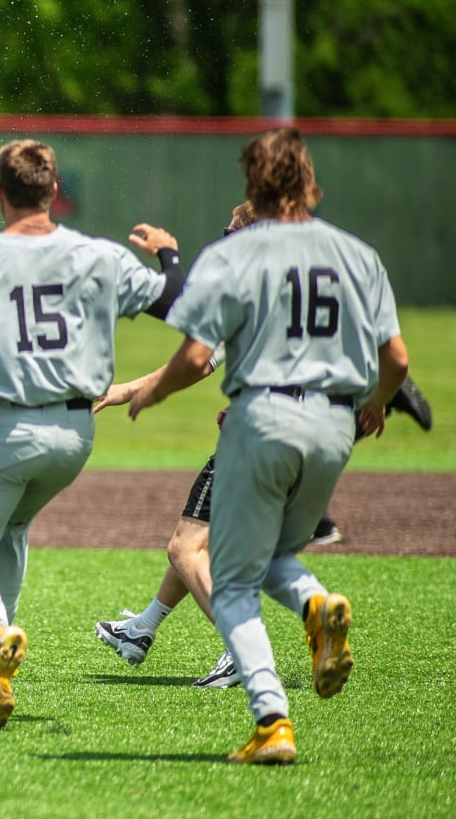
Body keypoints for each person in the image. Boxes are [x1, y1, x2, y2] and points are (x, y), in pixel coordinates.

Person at [125, 127, 409, 765]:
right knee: (278, 554)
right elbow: (396, 356)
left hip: (263, 415)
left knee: (229, 580)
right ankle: (315, 603)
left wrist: (155, 391)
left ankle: (272, 720)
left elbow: (197, 354)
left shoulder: (239, 252)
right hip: (336, 423)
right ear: (309, 180)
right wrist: (378, 403)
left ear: (255, 184)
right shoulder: (356, 253)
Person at [94, 203, 436, 689]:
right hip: (323, 434)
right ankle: (143, 629)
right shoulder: (333, 270)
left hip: (259, 434)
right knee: (218, 541)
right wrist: (381, 399)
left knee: (187, 547)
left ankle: (247, 651)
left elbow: (196, 349)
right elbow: (385, 357)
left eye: (232, 229)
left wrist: (141, 388)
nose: (227, 237)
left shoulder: (247, 278)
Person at [0, 138, 185, 731]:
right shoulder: (98, 255)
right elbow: (177, 300)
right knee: (11, 527)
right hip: (75, 431)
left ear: (0, 194)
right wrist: (167, 255)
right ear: (53, 192)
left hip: (8, 425)